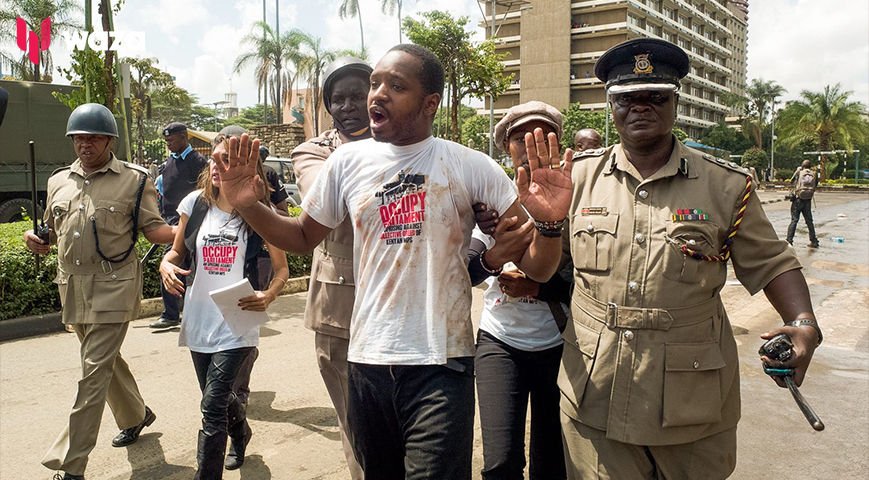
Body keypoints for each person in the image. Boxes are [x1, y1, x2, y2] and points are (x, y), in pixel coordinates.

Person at [215, 44, 573, 480]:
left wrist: (551, 225)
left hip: (442, 363)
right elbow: (303, 238)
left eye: (396, 86)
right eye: (375, 83)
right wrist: (251, 206)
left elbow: (537, 268)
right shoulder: (345, 162)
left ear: (430, 103)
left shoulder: (470, 165)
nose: (377, 95)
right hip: (366, 361)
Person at [559, 38, 822, 479]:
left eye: (655, 97)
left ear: (675, 102)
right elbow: (542, 266)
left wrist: (803, 323)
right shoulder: (575, 179)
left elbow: (773, 262)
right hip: (595, 389)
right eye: (627, 98)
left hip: (691, 402)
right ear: (610, 106)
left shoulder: (724, 186)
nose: (640, 107)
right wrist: (545, 225)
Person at [24, 103, 176, 480]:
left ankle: (71, 465)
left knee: (91, 374)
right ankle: (137, 414)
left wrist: (194, 227)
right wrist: (36, 240)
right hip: (72, 288)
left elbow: (154, 230)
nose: (84, 144)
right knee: (103, 365)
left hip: (114, 287)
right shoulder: (59, 180)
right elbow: (53, 230)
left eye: (93, 137)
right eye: (78, 138)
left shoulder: (135, 179)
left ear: (110, 139)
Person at [159, 130, 289, 478]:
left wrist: (269, 294)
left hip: (237, 319)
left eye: (227, 160)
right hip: (199, 317)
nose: (218, 166)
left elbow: (281, 269)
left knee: (212, 404)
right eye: (215, 159)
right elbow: (175, 251)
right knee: (219, 399)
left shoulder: (256, 212)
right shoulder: (194, 205)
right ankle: (241, 430)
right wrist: (166, 264)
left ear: (247, 167)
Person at [470, 101, 572, 480]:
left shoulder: (576, 198)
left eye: (543, 136)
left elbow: (594, 282)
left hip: (558, 345)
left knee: (552, 461)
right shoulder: (489, 198)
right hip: (500, 342)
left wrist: (537, 288)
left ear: (557, 145)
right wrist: (491, 259)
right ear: (506, 148)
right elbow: (468, 266)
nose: (531, 144)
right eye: (519, 138)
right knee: (500, 462)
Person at [291, 55, 373, 480]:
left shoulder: (402, 143)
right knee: (353, 420)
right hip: (338, 305)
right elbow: (331, 203)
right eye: (337, 99)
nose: (347, 106)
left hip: (399, 299)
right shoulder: (312, 152)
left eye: (358, 95)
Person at [151, 122, 209, 329]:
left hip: (191, 221)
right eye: (166, 140)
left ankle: (176, 313)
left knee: (188, 266)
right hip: (170, 221)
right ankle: (172, 313)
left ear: (183, 137)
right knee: (172, 264)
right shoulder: (168, 163)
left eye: (171, 139)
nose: (168, 143)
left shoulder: (198, 161)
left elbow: (206, 191)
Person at [787, 159, 819, 248]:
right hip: (808, 199)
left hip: (798, 199)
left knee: (794, 220)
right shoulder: (814, 173)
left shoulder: (799, 172)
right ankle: (813, 241)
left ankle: (789, 241)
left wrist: (797, 171)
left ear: (802, 166)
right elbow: (816, 184)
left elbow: (791, 181)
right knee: (809, 221)